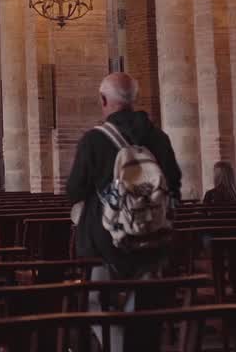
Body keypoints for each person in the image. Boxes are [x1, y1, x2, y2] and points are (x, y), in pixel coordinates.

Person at [66, 73, 182, 352]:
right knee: (144, 305)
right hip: (151, 238)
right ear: (134, 101)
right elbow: (175, 183)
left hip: (106, 242)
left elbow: (74, 190)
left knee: (98, 304)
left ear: (104, 100)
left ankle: (115, 346)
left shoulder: (94, 140)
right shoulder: (158, 137)